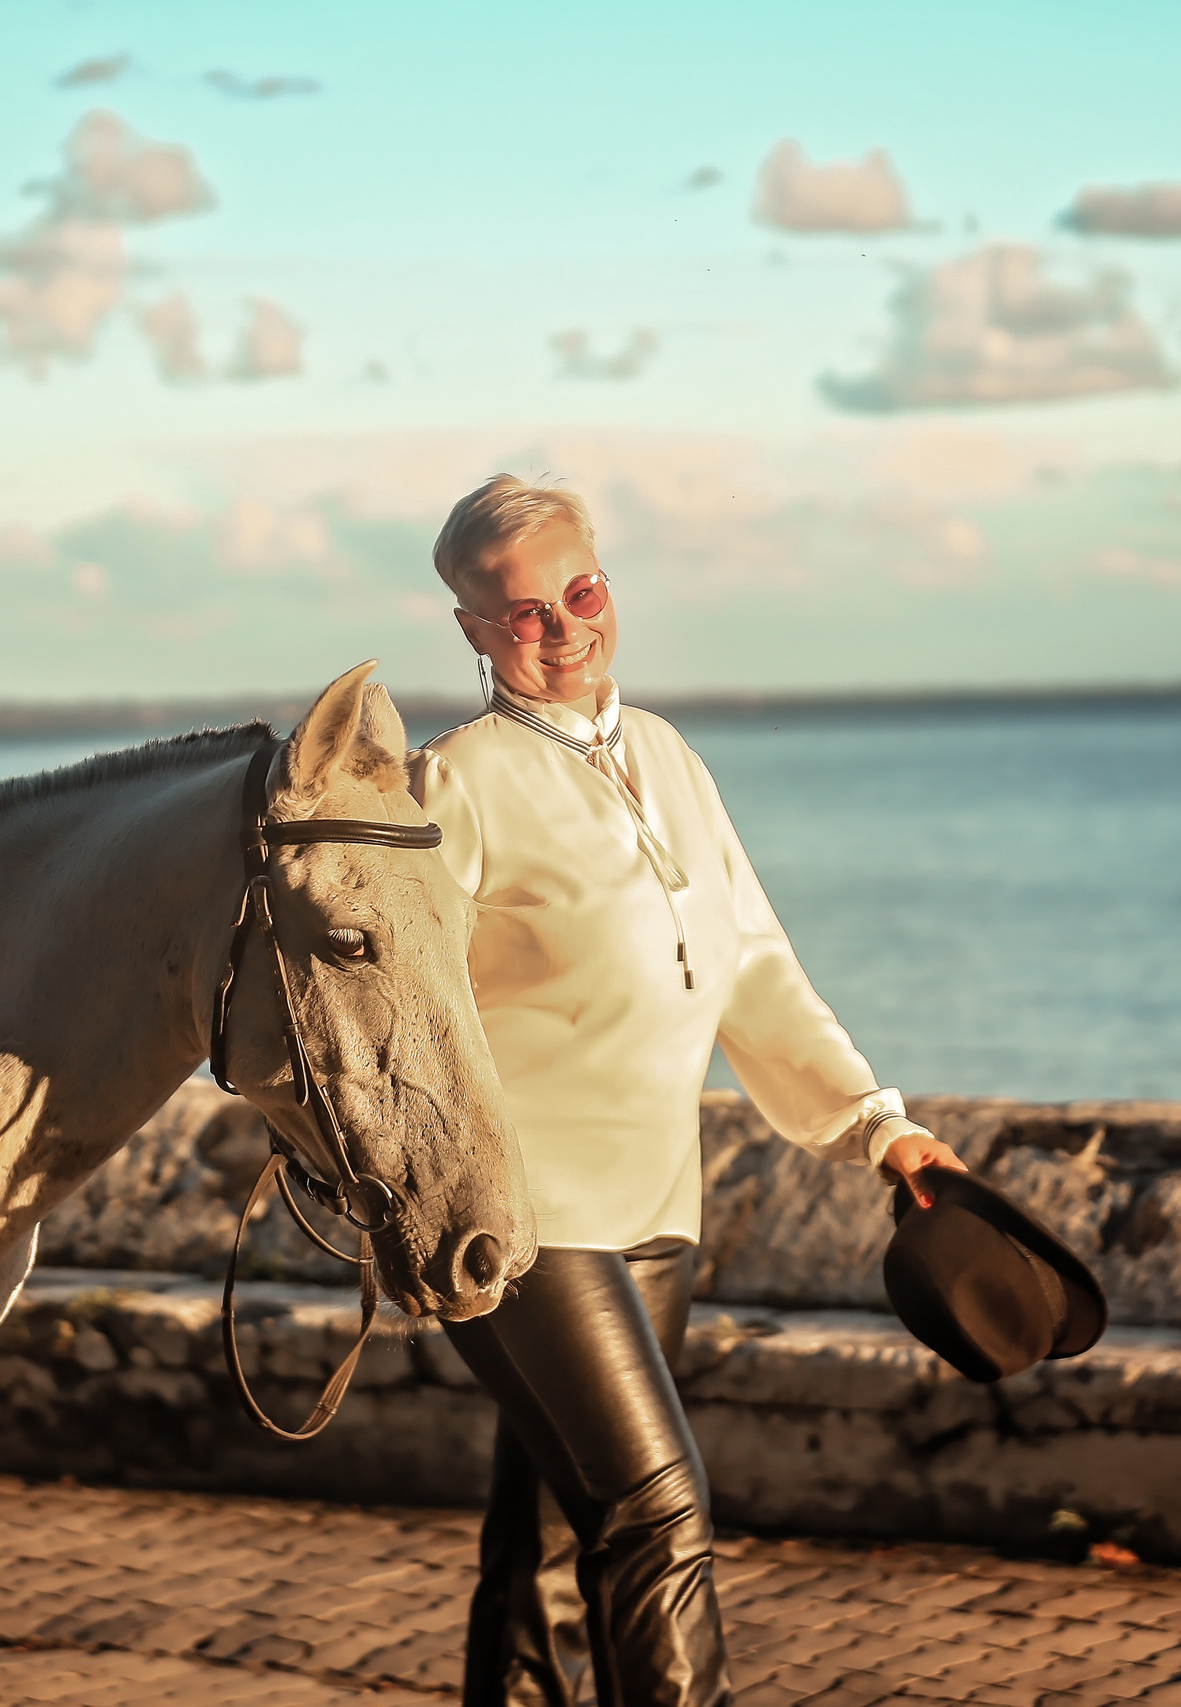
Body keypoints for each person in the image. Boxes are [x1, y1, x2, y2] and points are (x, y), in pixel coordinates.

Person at [409, 475, 969, 1707]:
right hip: (519, 1214)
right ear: (470, 631)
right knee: (655, 1507)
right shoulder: (450, 785)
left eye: (580, 591)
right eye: (519, 614)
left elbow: (753, 966)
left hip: (658, 1203)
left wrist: (881, 1128)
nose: (559, 627)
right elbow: (390, 1014)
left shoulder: (666, 754)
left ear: (608, 583)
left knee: (558, 1531)